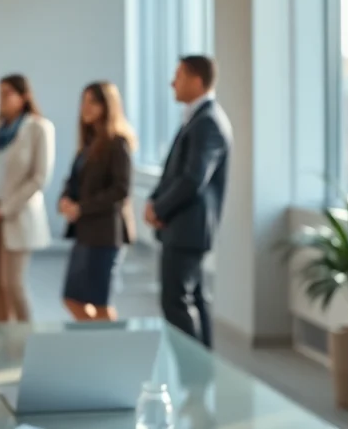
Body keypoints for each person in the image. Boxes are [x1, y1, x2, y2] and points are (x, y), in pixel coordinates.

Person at [145, 55, 232, 348]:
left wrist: (158, 208)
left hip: (188, 228)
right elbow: (176, 172)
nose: (172, 83)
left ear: (196, 80)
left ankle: (191, 376)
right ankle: (202, 374)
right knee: (193, 297)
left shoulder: (207, 122)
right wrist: (154, 200)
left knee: (176, 302)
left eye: (178, 76)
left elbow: (193, 180)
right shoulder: (197, 118)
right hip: (184, 226)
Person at [0, 74, 55, 323]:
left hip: (16, 215)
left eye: (8, 93)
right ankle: (2, 341)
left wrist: (3, 210)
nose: (2, 99)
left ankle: (26, 340)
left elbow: (38, 179)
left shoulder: (39, 128)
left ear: (24, 96)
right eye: (0, 93)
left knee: (12, 284)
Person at [59, 82, 137, 322]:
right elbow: (73, 181)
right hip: (84, 233)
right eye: (84, 101)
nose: (86, 107)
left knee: (101, 302)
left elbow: (121, 189)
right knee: (72, 298)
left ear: (107, 105)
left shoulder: (117, 143)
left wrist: (82, 207)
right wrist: (65, 199)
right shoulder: (88, 144)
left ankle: (112, 349)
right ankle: (98, 342)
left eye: (93, 101)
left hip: (105, 234)